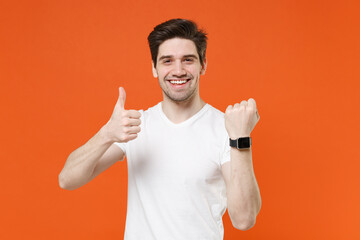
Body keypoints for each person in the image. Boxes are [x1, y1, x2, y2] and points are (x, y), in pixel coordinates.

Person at [59, 18, 261, 239]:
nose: (178, 70)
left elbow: (244, 220)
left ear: (203, 65)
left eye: (188, 60)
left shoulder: (226, 129)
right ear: (154, 68)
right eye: (167, 61)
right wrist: (106, 134)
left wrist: (240, 138)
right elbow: (67, 180)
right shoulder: (136, 126)